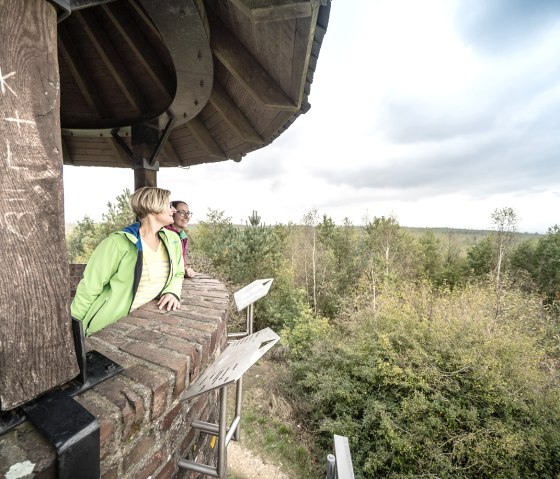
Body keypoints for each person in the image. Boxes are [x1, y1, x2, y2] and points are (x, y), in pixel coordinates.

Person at [71, 187, 185, 336]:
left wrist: (173, 292)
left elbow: (178, 272)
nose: (173, 210)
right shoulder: (116, 243)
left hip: (142, 327)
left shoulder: (173, 240)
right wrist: (72, 328)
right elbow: (90, 287)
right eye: (168, 205)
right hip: (106, 327)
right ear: (153, 207)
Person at [165, 200, 196, 278]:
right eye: (182, 213)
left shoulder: (182, 236)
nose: (186, 217)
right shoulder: (164, 234)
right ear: (172, 213)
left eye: (188, 213)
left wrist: (185, 270)